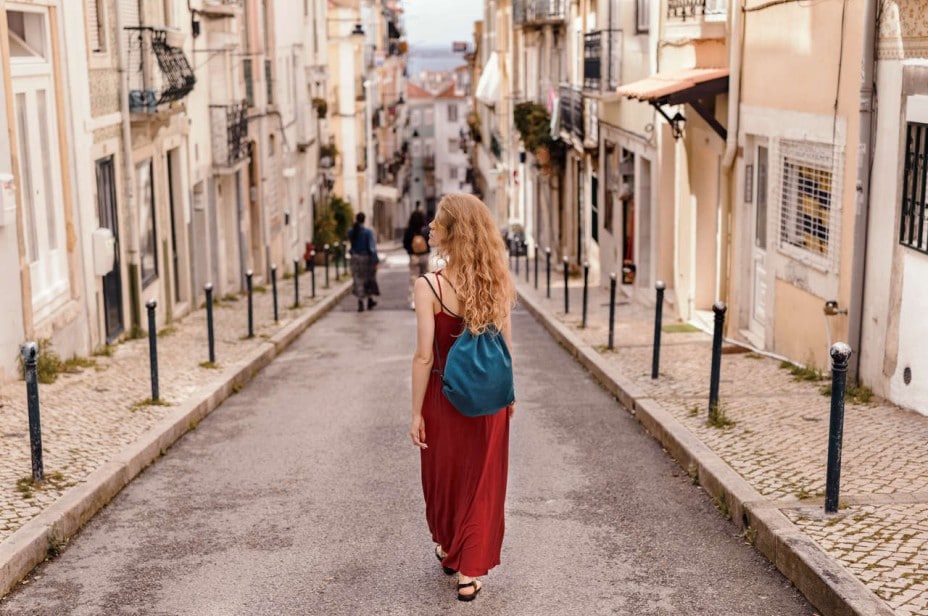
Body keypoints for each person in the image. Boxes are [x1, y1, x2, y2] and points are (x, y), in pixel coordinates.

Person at [409, 193, 516, 602]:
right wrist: (510, 392)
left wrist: (415, 412)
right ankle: (468, 570)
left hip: (444, 397)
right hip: (489, 398)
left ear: (453, 233)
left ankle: (453, 551)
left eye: (437, 222)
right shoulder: (495, 282)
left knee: (446, 478)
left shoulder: (429, 287)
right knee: (483, 483)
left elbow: (424, 356)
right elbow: (506, 345)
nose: (430, 227)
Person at [348, 212, 380, 312]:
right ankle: (369, 300)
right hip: (366, 258)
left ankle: (360, 301)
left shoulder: (351, 231)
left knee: (358, 279)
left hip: (355, 258)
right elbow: (371, 248)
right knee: (369, 279)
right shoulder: (368, 232)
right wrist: (375, 260)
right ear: (364, 220)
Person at [402, 209, 430, 310]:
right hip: (424, 256)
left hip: (414, 257)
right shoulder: (425, 230)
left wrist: (410, 250)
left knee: (414, 279)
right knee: (426, 279)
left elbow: (405, 244)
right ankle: (426, 300)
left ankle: (414, 301)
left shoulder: (409, 230)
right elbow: (430, 241)